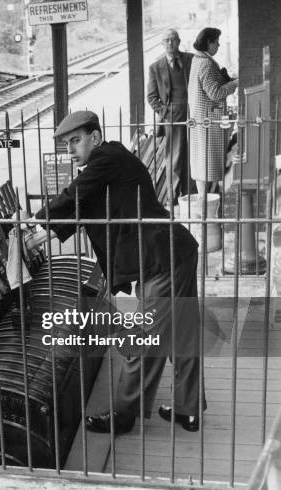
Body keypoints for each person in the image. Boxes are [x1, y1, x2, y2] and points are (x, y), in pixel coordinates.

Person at [26, 111, 205, 434]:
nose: (70, 150)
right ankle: (187, 409)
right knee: (180, 333)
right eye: (67, 143)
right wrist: (44, 234)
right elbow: (84, 207)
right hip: (173, 252)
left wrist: (36, 222)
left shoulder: (107, 156)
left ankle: (124, 414)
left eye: (75, 141)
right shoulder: (110, 164)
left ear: (95, 137)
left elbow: (75, 194)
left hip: (162, 259)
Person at [147, 28, 195, 204]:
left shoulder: (190, 59)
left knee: (192, 155)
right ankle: (172, 199)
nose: (170, 43)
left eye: (173, 39)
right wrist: (166, 113)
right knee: (175, 157)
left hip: (192, 114)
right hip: (172, 116)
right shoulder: (155, 67)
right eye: (166, 40)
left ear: (179, 41)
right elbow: (152, 97)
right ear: (162, 43)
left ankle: (190, 194)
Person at [188, 27, 238, 195]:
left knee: (202, 164)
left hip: (202, 119)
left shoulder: (198, 60)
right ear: (208, 43)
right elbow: (215, 93)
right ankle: (208, 204)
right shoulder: (206, 64)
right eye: (216, 42)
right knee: (208, 164)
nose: (218, 45)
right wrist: (235, 84)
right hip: (208, 121)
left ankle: (205, 202)